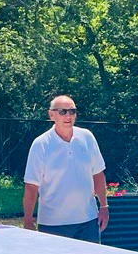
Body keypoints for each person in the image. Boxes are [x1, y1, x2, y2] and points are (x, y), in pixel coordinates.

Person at [23, 95, 109, 242]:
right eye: (63, 111)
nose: (68, 116)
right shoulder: (41, 144)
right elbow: (31, 186)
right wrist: (28, 222)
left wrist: (104, 206)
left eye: (72, 111)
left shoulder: (87, 137)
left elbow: (98, 174)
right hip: (53, 225)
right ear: (51, 115)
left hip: (88, 221)